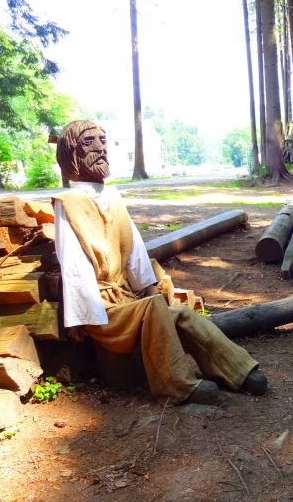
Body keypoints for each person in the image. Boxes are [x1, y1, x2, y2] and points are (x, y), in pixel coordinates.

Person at [52, 120, 267, 405]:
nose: (101, 147)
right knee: (154, 307)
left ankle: (237, 369)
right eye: (89, 142)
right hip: (102, 311)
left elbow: (135, 251)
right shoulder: (68, 204)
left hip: (127, 302)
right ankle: (178, 385)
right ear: (72, 153)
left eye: (103, 140)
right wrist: (89, 321)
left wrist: (148, 288)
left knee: (181, 315)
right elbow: (74, 268)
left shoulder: (112, 197)